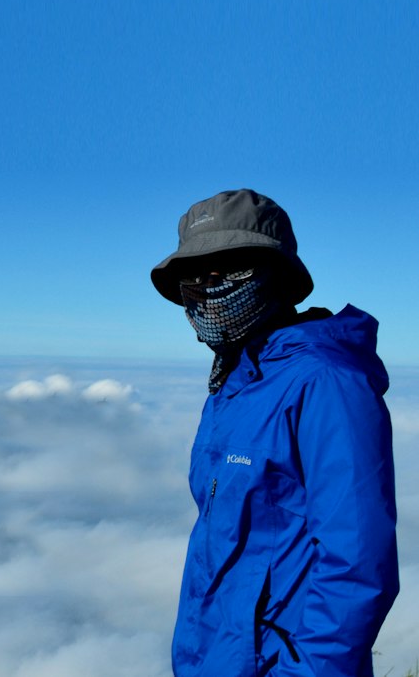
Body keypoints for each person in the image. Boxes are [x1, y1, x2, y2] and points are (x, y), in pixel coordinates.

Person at [151, 188, 398, 677]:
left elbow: (357, 563)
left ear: (278, 276)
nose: (205, 289)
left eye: (225, 272)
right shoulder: (232, 386)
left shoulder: (324, 382)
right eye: (192, 279)